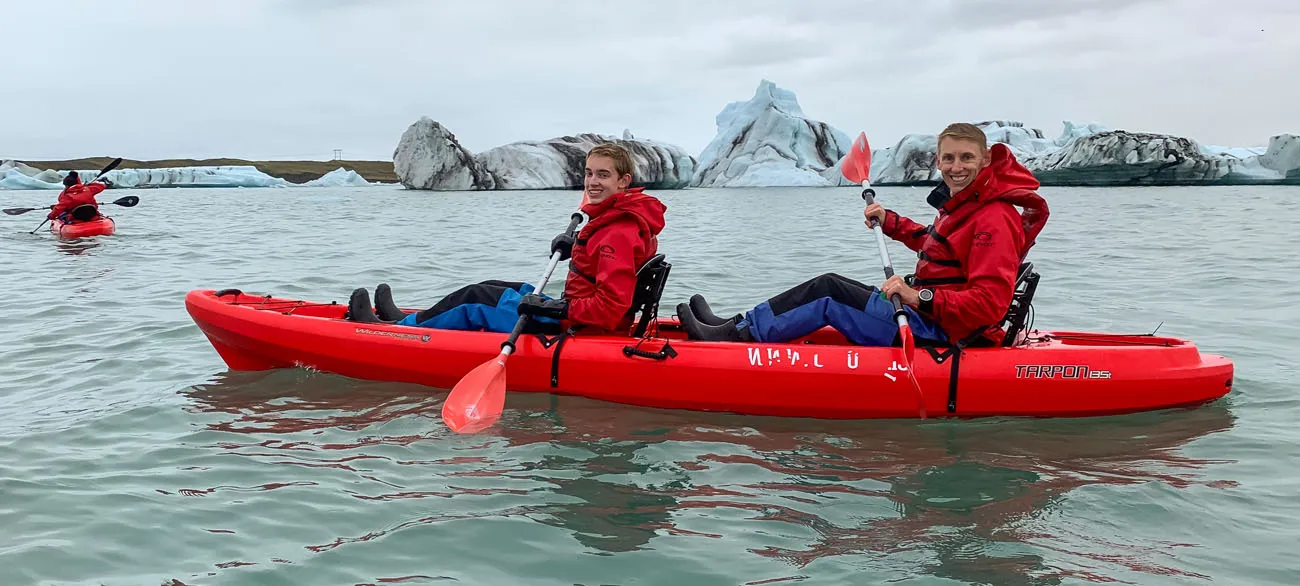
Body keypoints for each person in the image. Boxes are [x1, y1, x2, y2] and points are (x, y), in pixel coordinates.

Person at [679, 122, 1049, 347]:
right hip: (933, 317)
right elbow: (938, 248)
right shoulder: (968, 206)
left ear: (985, 161)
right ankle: (737, 325)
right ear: (938, 160)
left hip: (943, 331)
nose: (956, 166)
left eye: (966, 158)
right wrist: (890, 221)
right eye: (949, 158)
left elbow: (989, 304)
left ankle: (735, 338)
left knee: (828, 292)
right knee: (833, 285)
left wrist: (916, 295)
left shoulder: (993, 218)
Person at [346, 142, 668, 336]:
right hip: (573, 311)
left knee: (476, 298)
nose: (592, 182)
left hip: (574, 324)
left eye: (603, 175)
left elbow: (610, 308)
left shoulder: (617, 233)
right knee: (496, 286)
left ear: (623, 181)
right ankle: (406, 318)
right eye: (588, 173)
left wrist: (556, 308)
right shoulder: (620, 220)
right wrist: (578, 247)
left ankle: (400, 332)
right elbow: (605, 265)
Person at [48, 171, 112, 222]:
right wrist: (89, 185)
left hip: (75, 218)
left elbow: (59, 208)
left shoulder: (68, 196)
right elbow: (100, 186)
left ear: (67, 185)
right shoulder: (88, 189)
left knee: (63, 215)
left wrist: (51, 216)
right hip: (92, 216)